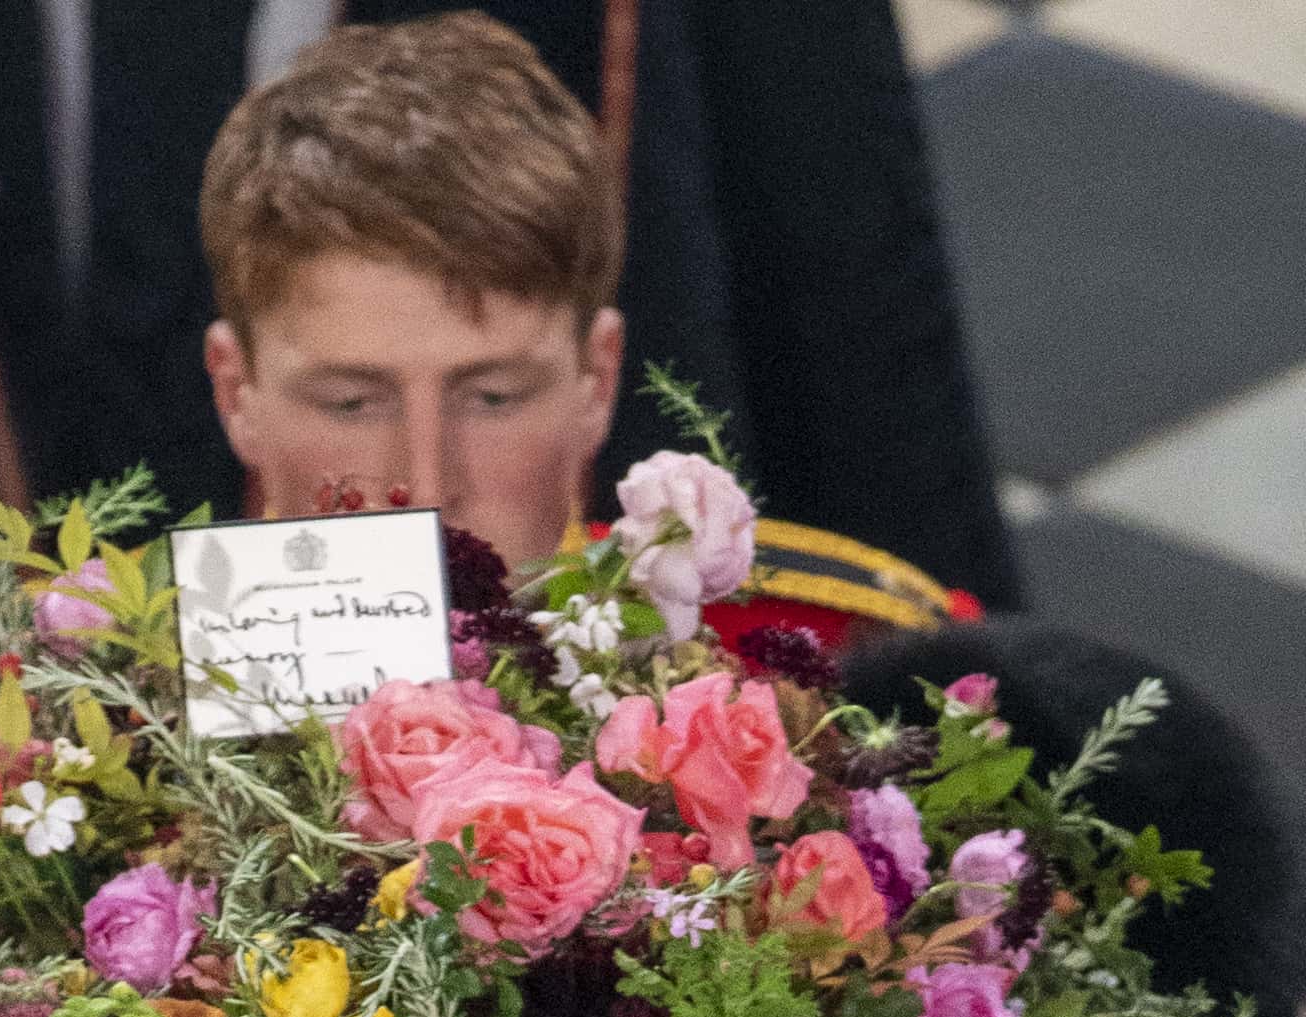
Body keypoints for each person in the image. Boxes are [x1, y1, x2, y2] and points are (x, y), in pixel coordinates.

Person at [199, 16, 962, 643]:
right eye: (349, 403)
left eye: (493, 397)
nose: (427, 491)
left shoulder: (811, 664)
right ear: (236, 394)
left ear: (597, 381)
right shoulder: (95, 707)